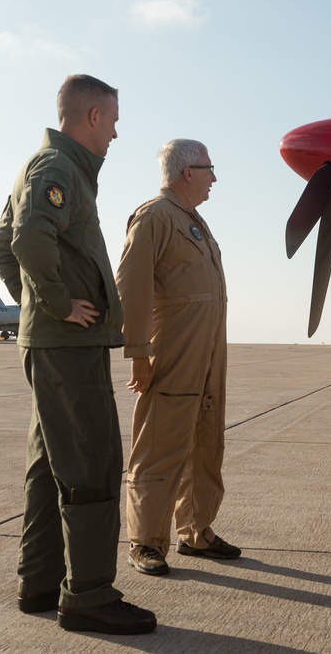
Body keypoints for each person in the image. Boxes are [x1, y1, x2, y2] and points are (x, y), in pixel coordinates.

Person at [0, 74, 156, 635]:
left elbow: (1, 244)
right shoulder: (58, 169)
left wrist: (37, 305)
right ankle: (87, 595)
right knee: (92, 464)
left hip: (55, 343)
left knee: (50, 466)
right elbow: (25, 239)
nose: (115, 131)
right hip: (68, 346)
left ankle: (39, 582)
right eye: (111, 119)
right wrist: (57, 304)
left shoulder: (45, 167)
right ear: (90, 117)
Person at [116, 139, 239, 577]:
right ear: (189, 171)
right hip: (173, 347)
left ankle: (196, 530)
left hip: (208, 349)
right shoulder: (154, 216)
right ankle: (145, 541)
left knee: (206, 440)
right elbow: (131, 286)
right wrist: (138, 353)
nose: (214, 178)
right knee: (160, 446)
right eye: (210, 169)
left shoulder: (194, 222)